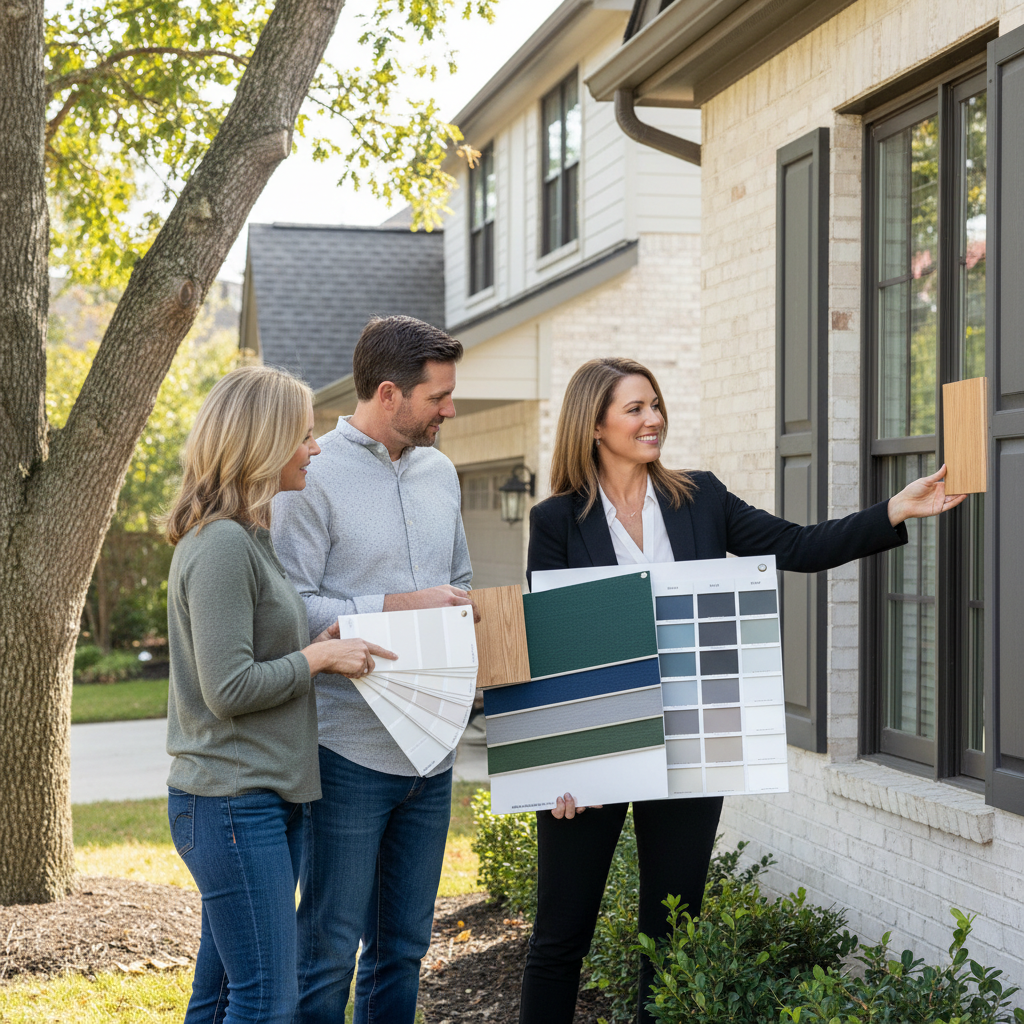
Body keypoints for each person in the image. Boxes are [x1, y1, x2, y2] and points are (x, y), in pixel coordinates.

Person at [519, 356, 966, 1024]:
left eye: (656, 405)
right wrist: (558, 768)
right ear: (594, 425)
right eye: (635, 408)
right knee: (560, 935)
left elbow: (799, 545)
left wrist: (896, 508)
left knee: (672, 938)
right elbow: (547, 643)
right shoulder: (557, 520)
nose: (654, 419)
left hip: (697, 735)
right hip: (600, 746)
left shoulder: (700, 497)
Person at [163, 365, 394, 1024]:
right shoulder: (223, 546)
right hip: (233, 805)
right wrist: (318, 657)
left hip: (256, 800)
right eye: (304, 436)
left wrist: (324, 635)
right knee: (267, 1000)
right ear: (261, 443)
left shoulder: (248, 538)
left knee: (222, 999)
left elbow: (257, 648)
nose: (315, 449)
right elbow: (229, 687)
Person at [270, 315, 475, 1024]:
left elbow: (461, 582)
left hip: (435, 754)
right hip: (348, 750)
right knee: (327, 948)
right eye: (437, 397)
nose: (450, 410)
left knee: (405, 949)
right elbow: (291, 609)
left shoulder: (442, 471)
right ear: (389, 394)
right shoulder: (309, 472)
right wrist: (399, 603)